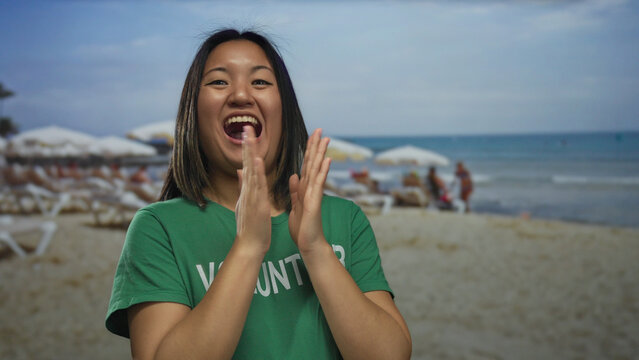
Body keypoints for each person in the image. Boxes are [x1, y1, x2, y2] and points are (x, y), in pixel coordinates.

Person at [105, 29, 411, 359]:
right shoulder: (158, 229)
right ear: (193, 113)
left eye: (261, 82)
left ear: (285, 109)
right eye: (219, 82)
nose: (240, 95)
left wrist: (316, 250)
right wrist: (248, 247)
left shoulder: (344, 219)